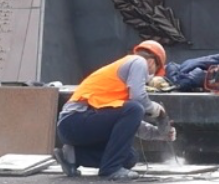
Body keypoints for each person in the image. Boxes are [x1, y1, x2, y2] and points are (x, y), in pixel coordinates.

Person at [54, 40, 177, 181]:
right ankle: (110, 169)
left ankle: (73, 156)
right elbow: (138, 100)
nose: (149, 78)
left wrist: (159, 133)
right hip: (74, 120)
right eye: (153, 72)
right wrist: (158, 110)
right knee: (135, 108)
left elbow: (131, 123)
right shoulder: (138, 61)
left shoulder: (122, 88)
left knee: (129, 157)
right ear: (151, 62)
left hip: (79, 126)